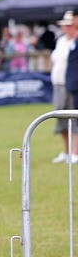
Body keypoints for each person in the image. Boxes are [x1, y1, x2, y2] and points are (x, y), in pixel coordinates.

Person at [49, 11, 76, 163]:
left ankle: (75, 152)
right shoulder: (61, 41)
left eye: (68, 25)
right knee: (61, 118)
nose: (66, 28)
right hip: (58, 83)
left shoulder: (76, 42)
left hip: (72, 84)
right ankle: (66, 151)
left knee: (73, 117)